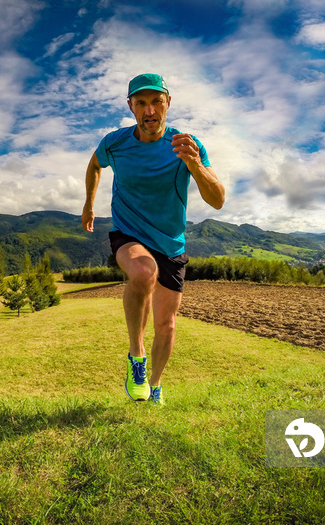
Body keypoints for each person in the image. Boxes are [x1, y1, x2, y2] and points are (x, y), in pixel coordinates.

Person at [81, 73, 225, 404]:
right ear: (130, 106)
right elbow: (94, 165)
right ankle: (136, 355)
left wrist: (194, 165)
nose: (149, 110)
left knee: (167, 326)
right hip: (128, 232)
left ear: (168, 103)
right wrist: (89, 204)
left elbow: (217, 198)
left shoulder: (186, 144)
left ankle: (155, 384)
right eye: (141, 102)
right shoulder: (115, 143)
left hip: (170, 243)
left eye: (156, 101)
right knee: (143, 272)